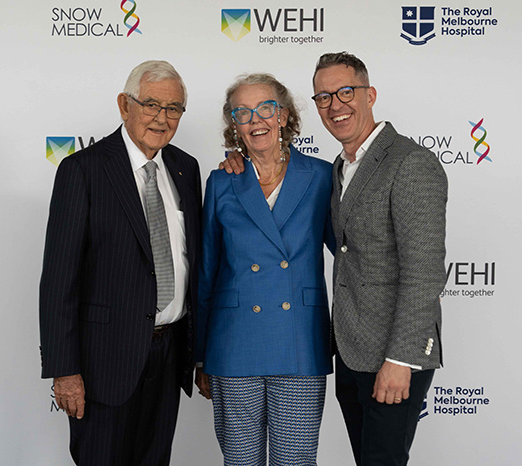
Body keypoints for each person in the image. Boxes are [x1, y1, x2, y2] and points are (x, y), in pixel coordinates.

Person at [222, 52, 447, 466]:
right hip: (350, 350)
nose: (335, 105)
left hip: (393, 356)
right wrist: (243, 168)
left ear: (370, 94)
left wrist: (401, 359)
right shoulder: (340, 169)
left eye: (346, 92)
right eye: (324, 97)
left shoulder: (410, 163)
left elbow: (425, 272)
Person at [39, 60, 201, 466]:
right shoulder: (83, 170)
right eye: (150, 104)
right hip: (103, 365)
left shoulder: (186, 168)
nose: (162, 119)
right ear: (123, 105)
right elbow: (59, 280)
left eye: (174, 108)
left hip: (169, 355)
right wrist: (64, 370)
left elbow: (192, 262)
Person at [195, 73, 335, 466]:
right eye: (242, 112)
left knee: (295, 460)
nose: (255, 119)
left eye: (265, 108)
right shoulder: (222, 181)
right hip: (234, 342)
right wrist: (202, 353)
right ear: (233, 125)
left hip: (300, 340)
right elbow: (208, 270)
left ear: (284, 116)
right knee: (240, 461)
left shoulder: (322, 176)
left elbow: (349, 253)